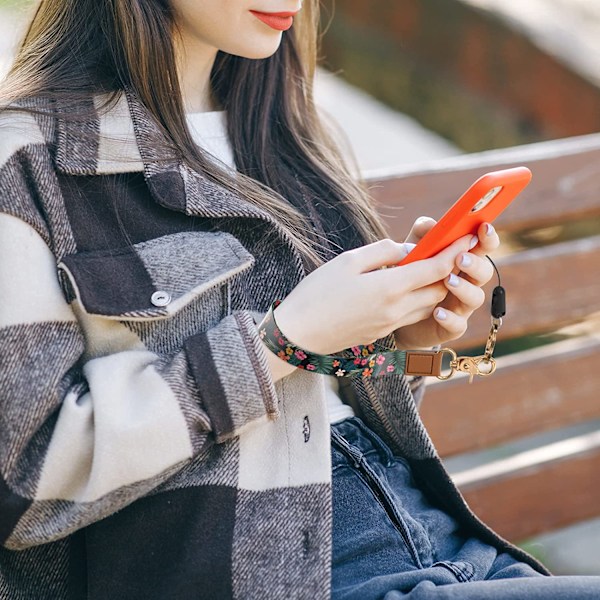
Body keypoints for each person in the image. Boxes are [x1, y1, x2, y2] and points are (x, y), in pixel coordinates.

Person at [0, 1, 598, 599]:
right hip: (288, 577)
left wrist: (396, 339)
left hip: (439, 542)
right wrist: (278, 344)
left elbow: (318, 400)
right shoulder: (27, 164)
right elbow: (22, 485)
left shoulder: (281, 129)